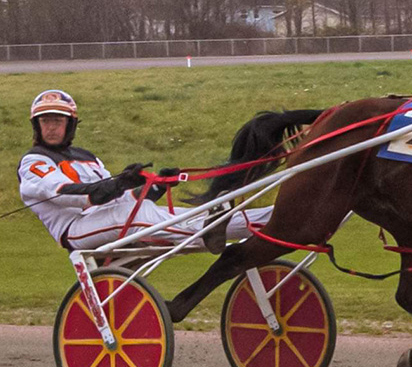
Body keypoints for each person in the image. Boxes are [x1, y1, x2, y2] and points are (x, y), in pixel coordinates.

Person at [18, 89, 271, 253]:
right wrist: (118, 184)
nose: (51, 128)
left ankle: (271, 218)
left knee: (178, 213)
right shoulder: (34, 161)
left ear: (70, 125)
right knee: (143, 216)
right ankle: (208, 232)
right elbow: (65, 194)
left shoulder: (87, 157)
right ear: (37, 126)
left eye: (57, 121)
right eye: (45, 122)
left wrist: (156, 185)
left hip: (110, 216)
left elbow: (118, 199)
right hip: (74, 229)